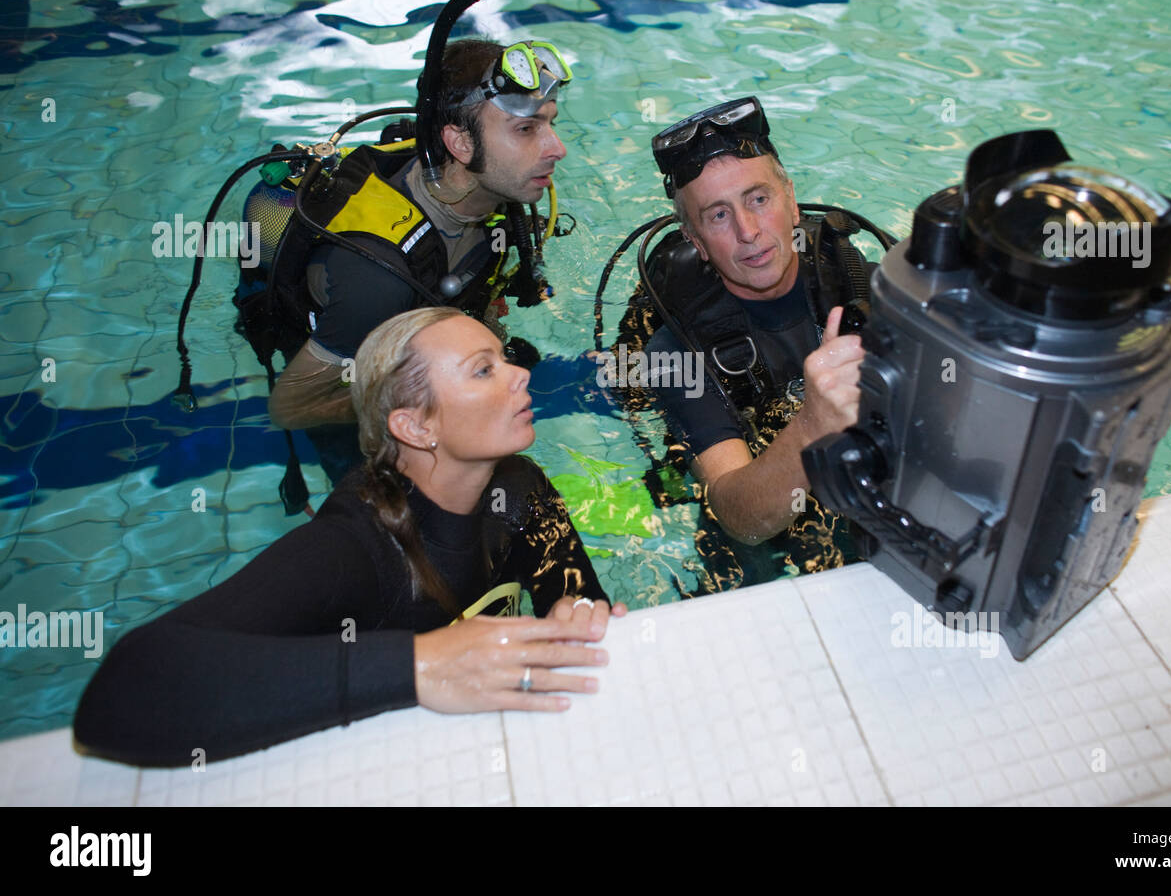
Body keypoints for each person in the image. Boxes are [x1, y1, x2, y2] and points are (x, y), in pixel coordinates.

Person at [75, 306, 625, 768]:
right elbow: (125, 691)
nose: (520, 374)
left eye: (503, 359)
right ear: (415, 426)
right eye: (484, 371)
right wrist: (420, 665)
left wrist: (578, 618)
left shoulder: (520, 489)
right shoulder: (356, 546)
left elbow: (575, 599)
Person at [263, 35, 572, 484]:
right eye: (526, 130)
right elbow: (290, 407)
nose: (556, 148)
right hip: (346, 369)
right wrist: (433, 403)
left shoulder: (496, 198)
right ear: (459, 144)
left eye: (550, 123)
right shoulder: (375, 281)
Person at [636, 97, 886, 588]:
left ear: (791, 199)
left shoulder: (866, 289)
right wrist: (816, 421)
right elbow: (740, 518)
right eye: (718, 216)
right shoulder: (674, 355)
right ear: (695, 240)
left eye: (758, 199)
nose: (748, 232)